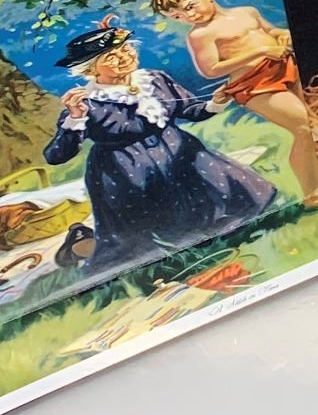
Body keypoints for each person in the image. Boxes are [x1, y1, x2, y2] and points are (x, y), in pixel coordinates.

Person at [45, 19, 277, 273]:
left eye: (126, 49)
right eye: (111, 57)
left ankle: (224, 243)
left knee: (221, 197)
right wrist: (75, 118)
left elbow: (189, 109)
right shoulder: (86, 102)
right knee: (141, 243)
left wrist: (216, 102)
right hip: (126, 173)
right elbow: (56, 156)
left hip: (180, 154)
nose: (124, 57)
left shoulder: (155, 79)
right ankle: (80, 244)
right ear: (91, 69)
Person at [151, 0, 318, 204]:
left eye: (190, 6)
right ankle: (312, 192)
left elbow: (270, 31)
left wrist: (281, 34)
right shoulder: (200, 34)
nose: (188, 16)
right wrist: (260, 52)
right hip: (253, 84)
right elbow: (211, 70)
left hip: (285, 66)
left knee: (317, 121)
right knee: (303, 128)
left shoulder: (247, 12)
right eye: (177, 16)